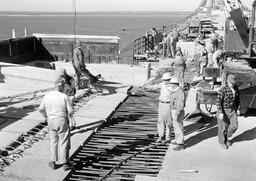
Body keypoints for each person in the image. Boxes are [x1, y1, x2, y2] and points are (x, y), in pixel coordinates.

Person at [38, 78, 74, 171]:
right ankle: (65, 163)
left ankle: (53, 162)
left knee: (53, 142)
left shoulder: (47, 96)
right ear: (61, 86)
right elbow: (71, 111)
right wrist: (69, 118)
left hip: (51, 121)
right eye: (64, 86)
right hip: (61, 120)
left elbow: (41, 109)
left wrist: (46, 117)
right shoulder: (64, 96)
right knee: (64, 142)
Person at [216, 74, 240, 149]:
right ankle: (222, 142)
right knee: (222, 127)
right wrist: (220, 112)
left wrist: (238, 109)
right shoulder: (222, 90)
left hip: (232, 110)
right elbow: (218, 102)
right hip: (224, 110)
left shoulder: (236, 89)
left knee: (234, 126)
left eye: (233, 83)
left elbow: (238, 100)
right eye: (231, 83)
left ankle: (227, 136)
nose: (232, 84)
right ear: (227, 81)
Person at [156, 72, 173, 143]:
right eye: (164, 80)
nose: (164, 81)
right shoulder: (162, 84)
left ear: (169, 79)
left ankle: (168, 137)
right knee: (160, 121)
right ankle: (161, 135)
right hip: (161, 103)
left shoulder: (172, 87)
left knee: (168, 121)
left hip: (168, 104)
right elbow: (154, 86)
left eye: (166, 80)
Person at [169, 77, 185, 151]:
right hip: (174, 110)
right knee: (176, 127)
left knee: (179, 127)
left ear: (174, 84)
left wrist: (177, 113)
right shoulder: (175, 90)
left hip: (177, 111)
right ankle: (177, 140)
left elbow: (180, 104)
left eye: (171, 84)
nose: (170, 85)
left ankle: (180, 144)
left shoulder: (179, 92)